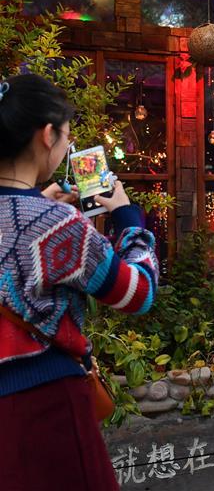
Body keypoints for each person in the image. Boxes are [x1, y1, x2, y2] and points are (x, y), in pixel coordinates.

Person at [0, 74, 159, 491]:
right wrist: (128, 217)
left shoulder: (42, 216)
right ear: (47, 135)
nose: (68, 147)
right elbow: (137, 293)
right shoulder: (55, 224)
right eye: (67, 137)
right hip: (44, 404)